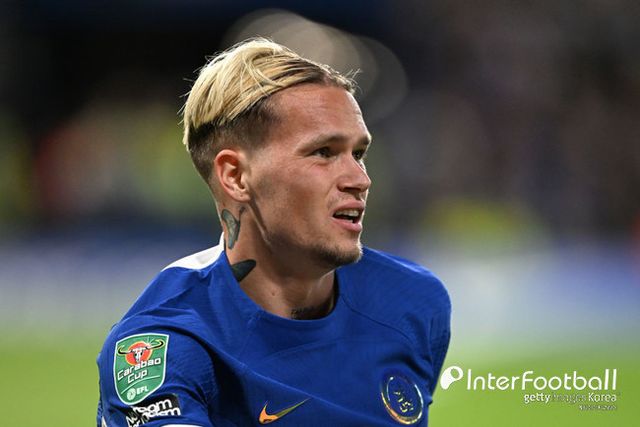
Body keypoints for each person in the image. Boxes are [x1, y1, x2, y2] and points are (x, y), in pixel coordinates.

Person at [96, 38, 451, 427]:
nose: (360, 179)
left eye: (358, 154)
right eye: (323, 152)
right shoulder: (163, 345)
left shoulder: (413, 303)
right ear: (236, 176)